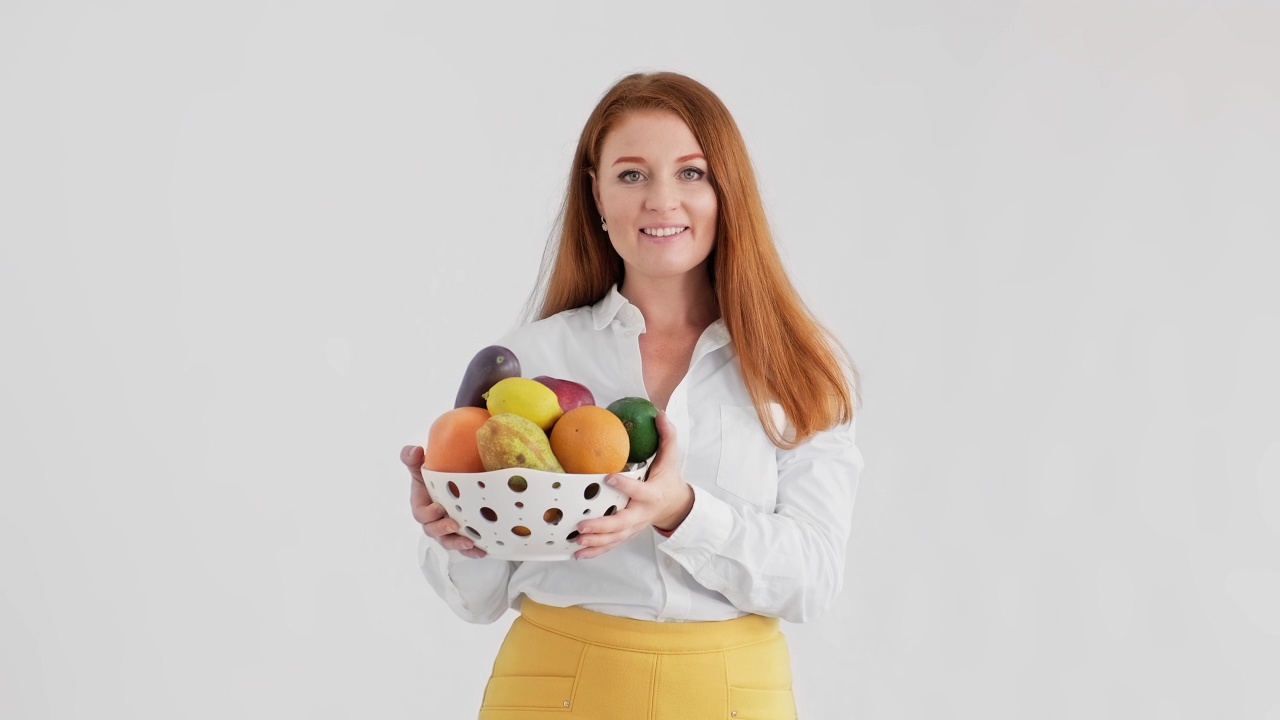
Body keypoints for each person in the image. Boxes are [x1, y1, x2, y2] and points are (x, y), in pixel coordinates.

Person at [401, 71, 864, 719]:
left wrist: (682, 510)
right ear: (595, 194)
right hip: (555, 688)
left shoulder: (798, 367)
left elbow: (813, 581)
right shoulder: (533, 361)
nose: (662, 200)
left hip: (733, 695)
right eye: (631, 175)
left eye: (692, 173)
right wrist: (464, 529)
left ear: (728, 191)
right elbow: (476, 600)